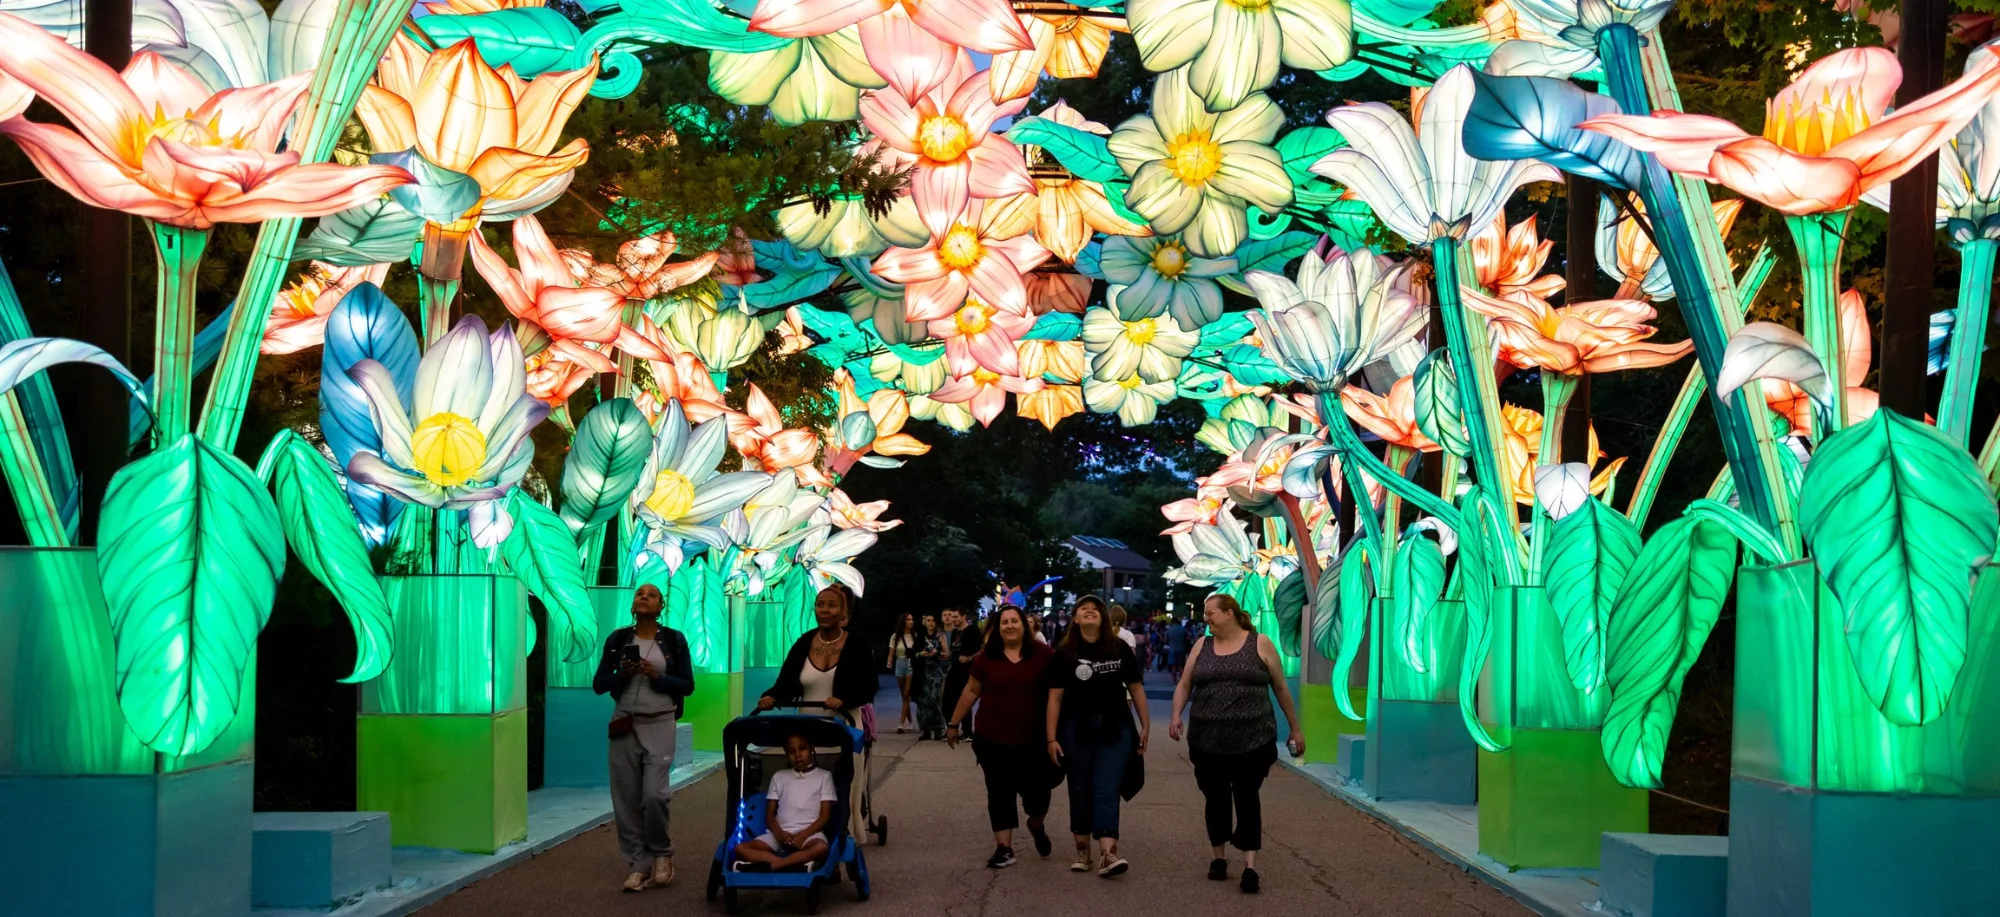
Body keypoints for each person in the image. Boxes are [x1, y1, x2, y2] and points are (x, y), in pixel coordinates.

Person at [1168, 594, 1305, 895]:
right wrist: (1177, 714)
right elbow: (1185, 684)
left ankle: (1250, 866)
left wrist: (1295, 728)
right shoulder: (1201, 646)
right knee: (1215, 798)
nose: (1206, 619)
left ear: (1229, 613)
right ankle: (1218, 859)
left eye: (1211, 613)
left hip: (1253, 740)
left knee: (1246, 796)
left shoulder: (1259, 643)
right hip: (1207, 740)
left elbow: (1280, 687)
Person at [593, 584, 695, 892]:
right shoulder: (619, 639)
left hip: (660, 723)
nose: (644, 597)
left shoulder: (674, 640)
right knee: (626, 799)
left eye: (651, 595)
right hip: (624, 724)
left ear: (660, 605)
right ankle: (638, 864)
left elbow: (687, 685)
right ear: (633, 604)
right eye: (639, 594)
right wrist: (623, 673)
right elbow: (599, 684)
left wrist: (658, 677)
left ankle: (662, 852)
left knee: (654, 795)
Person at [947, 605, 1058, 868]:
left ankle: (1036, 824)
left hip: (1033, 740)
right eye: (1004, 622)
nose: (1009, 626)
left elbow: (1057, 693)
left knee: (1037, 794)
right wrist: (953, 724)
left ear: (1025, 625)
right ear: (997, 628)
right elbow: (972, 690)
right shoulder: (987, 657)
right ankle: (1004, 848)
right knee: (999, 793)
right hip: (992, 738)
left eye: (1014, 621)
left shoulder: (1043, 654)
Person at [1046, 595, 1149, 878]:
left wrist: (1145, 725)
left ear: (1103, 618)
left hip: (1115, 727)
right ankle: (1082, 851)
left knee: (1107, 786)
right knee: (1079, 786)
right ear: (1075, 618)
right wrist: (1051, 738)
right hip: (1075, 728)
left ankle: (1107, 854)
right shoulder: (1064, 653)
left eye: (1095, 609)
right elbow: (1054, 698)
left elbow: (1136, 688)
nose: (1090, 612)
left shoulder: (1119, 648)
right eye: (1083, 609)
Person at [733, 734, 838, 872]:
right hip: (780, 833)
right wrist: (780, 834)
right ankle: (791, 864)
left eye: (802, 749)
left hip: (810, 834)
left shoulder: (824, 776)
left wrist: (804, 835)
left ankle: (773, 865)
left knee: (821, 848)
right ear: (786, 753)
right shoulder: (779, 777)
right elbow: (769, 816)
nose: (798, 755)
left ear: (811, 748)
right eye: (791, 751)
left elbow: (824, 816)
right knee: (740, 848)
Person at [941, 608, 981, 738]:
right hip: (955, 669)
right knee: (948, 699)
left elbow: (981, 650)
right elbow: (954, 651)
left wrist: (969, 658)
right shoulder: (955, 633)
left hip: (968, 670)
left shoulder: (972, 631)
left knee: (964, 698)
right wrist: (950, 655)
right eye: (952, 617)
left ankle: (968, 731)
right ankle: (952, 726)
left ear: (963, 616)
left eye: (956, 617)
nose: (954, 619)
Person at [914, 612, 948, 739]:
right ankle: (926, 730)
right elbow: (913, 653)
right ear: (925, 622)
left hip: (935, 672)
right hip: (922, 672)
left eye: (933, 620)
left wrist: (937, 654)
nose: (931, 623)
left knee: (934, 700)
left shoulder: (940, 636)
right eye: (928, 620)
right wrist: (921, 654)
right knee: (923, 701)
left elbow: (947, 654)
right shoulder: (921, 636)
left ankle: (938, 728)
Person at [887, 613, 921, 733]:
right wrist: (889, 662)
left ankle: (901, 724)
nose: (911, 622)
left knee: (907, 693)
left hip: (911, 664)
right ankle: (910, 721)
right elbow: (891, 653)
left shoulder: (915, 636)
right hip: (900, 663)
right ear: (903, 622)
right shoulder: (895, 637)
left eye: (912, 619)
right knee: (904, 696)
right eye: (908, 620)